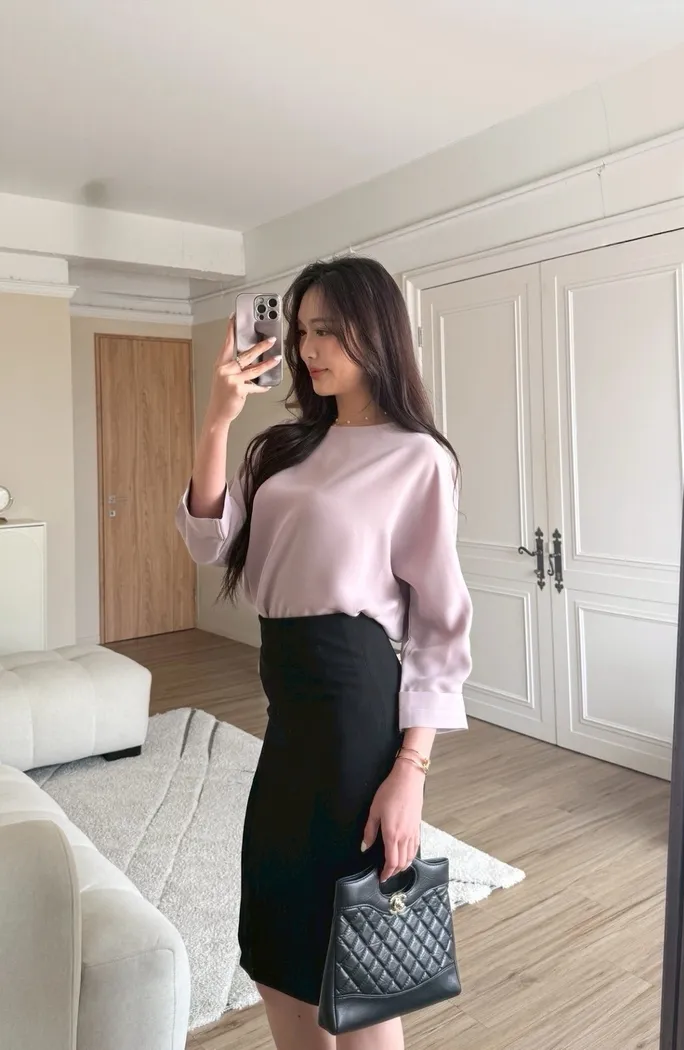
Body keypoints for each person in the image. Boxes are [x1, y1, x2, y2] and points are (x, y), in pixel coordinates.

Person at [176, 256, 472, 1050]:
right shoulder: (281, 447)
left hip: (355, 711)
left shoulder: (418, 458)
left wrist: (410, 772)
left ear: (376, 332)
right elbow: (207, 542)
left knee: (362, 966)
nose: (308, 349)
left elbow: (439, 625)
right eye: (302, 331)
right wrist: (218, 421)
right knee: (279, 952)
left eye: (329, 331)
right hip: (289, 711)